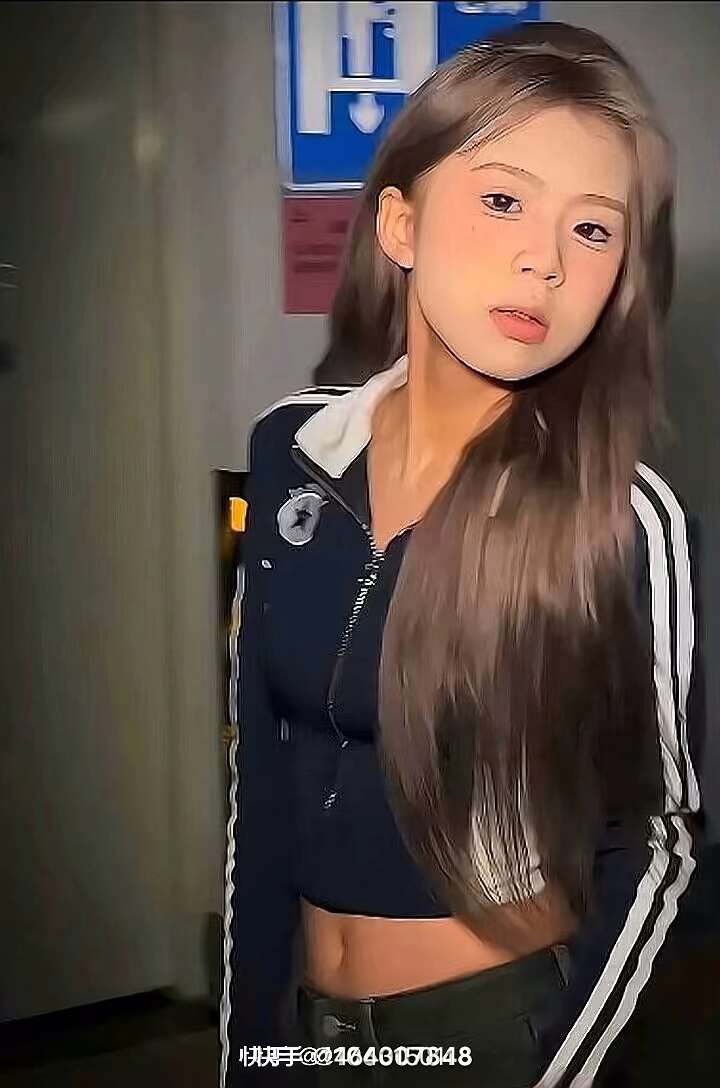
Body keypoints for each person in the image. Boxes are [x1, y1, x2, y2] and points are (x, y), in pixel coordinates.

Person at [220, 21, 704, 1088]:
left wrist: (559, 1070)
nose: (546, 259)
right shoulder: (290, 451)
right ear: (400, 222)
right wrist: (247, 1047)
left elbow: (662, 847)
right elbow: (260, 781)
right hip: (307, 1023)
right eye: (503, 201)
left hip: (497, 1034)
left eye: (593, 228)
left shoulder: (626, 521)